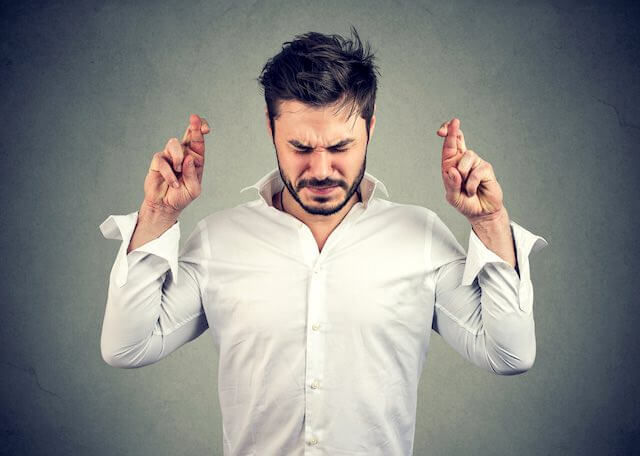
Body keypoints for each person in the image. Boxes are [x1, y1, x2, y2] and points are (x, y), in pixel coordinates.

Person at [98, 27, 548, 456]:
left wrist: (490, 222)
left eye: (339, 147)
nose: (319, 169)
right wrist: (158, 215)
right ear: (271, 128)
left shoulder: (421, 237)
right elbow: (127, 346)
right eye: (300, 147)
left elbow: (508, 353)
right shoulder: (220, 239)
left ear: (370, 130)